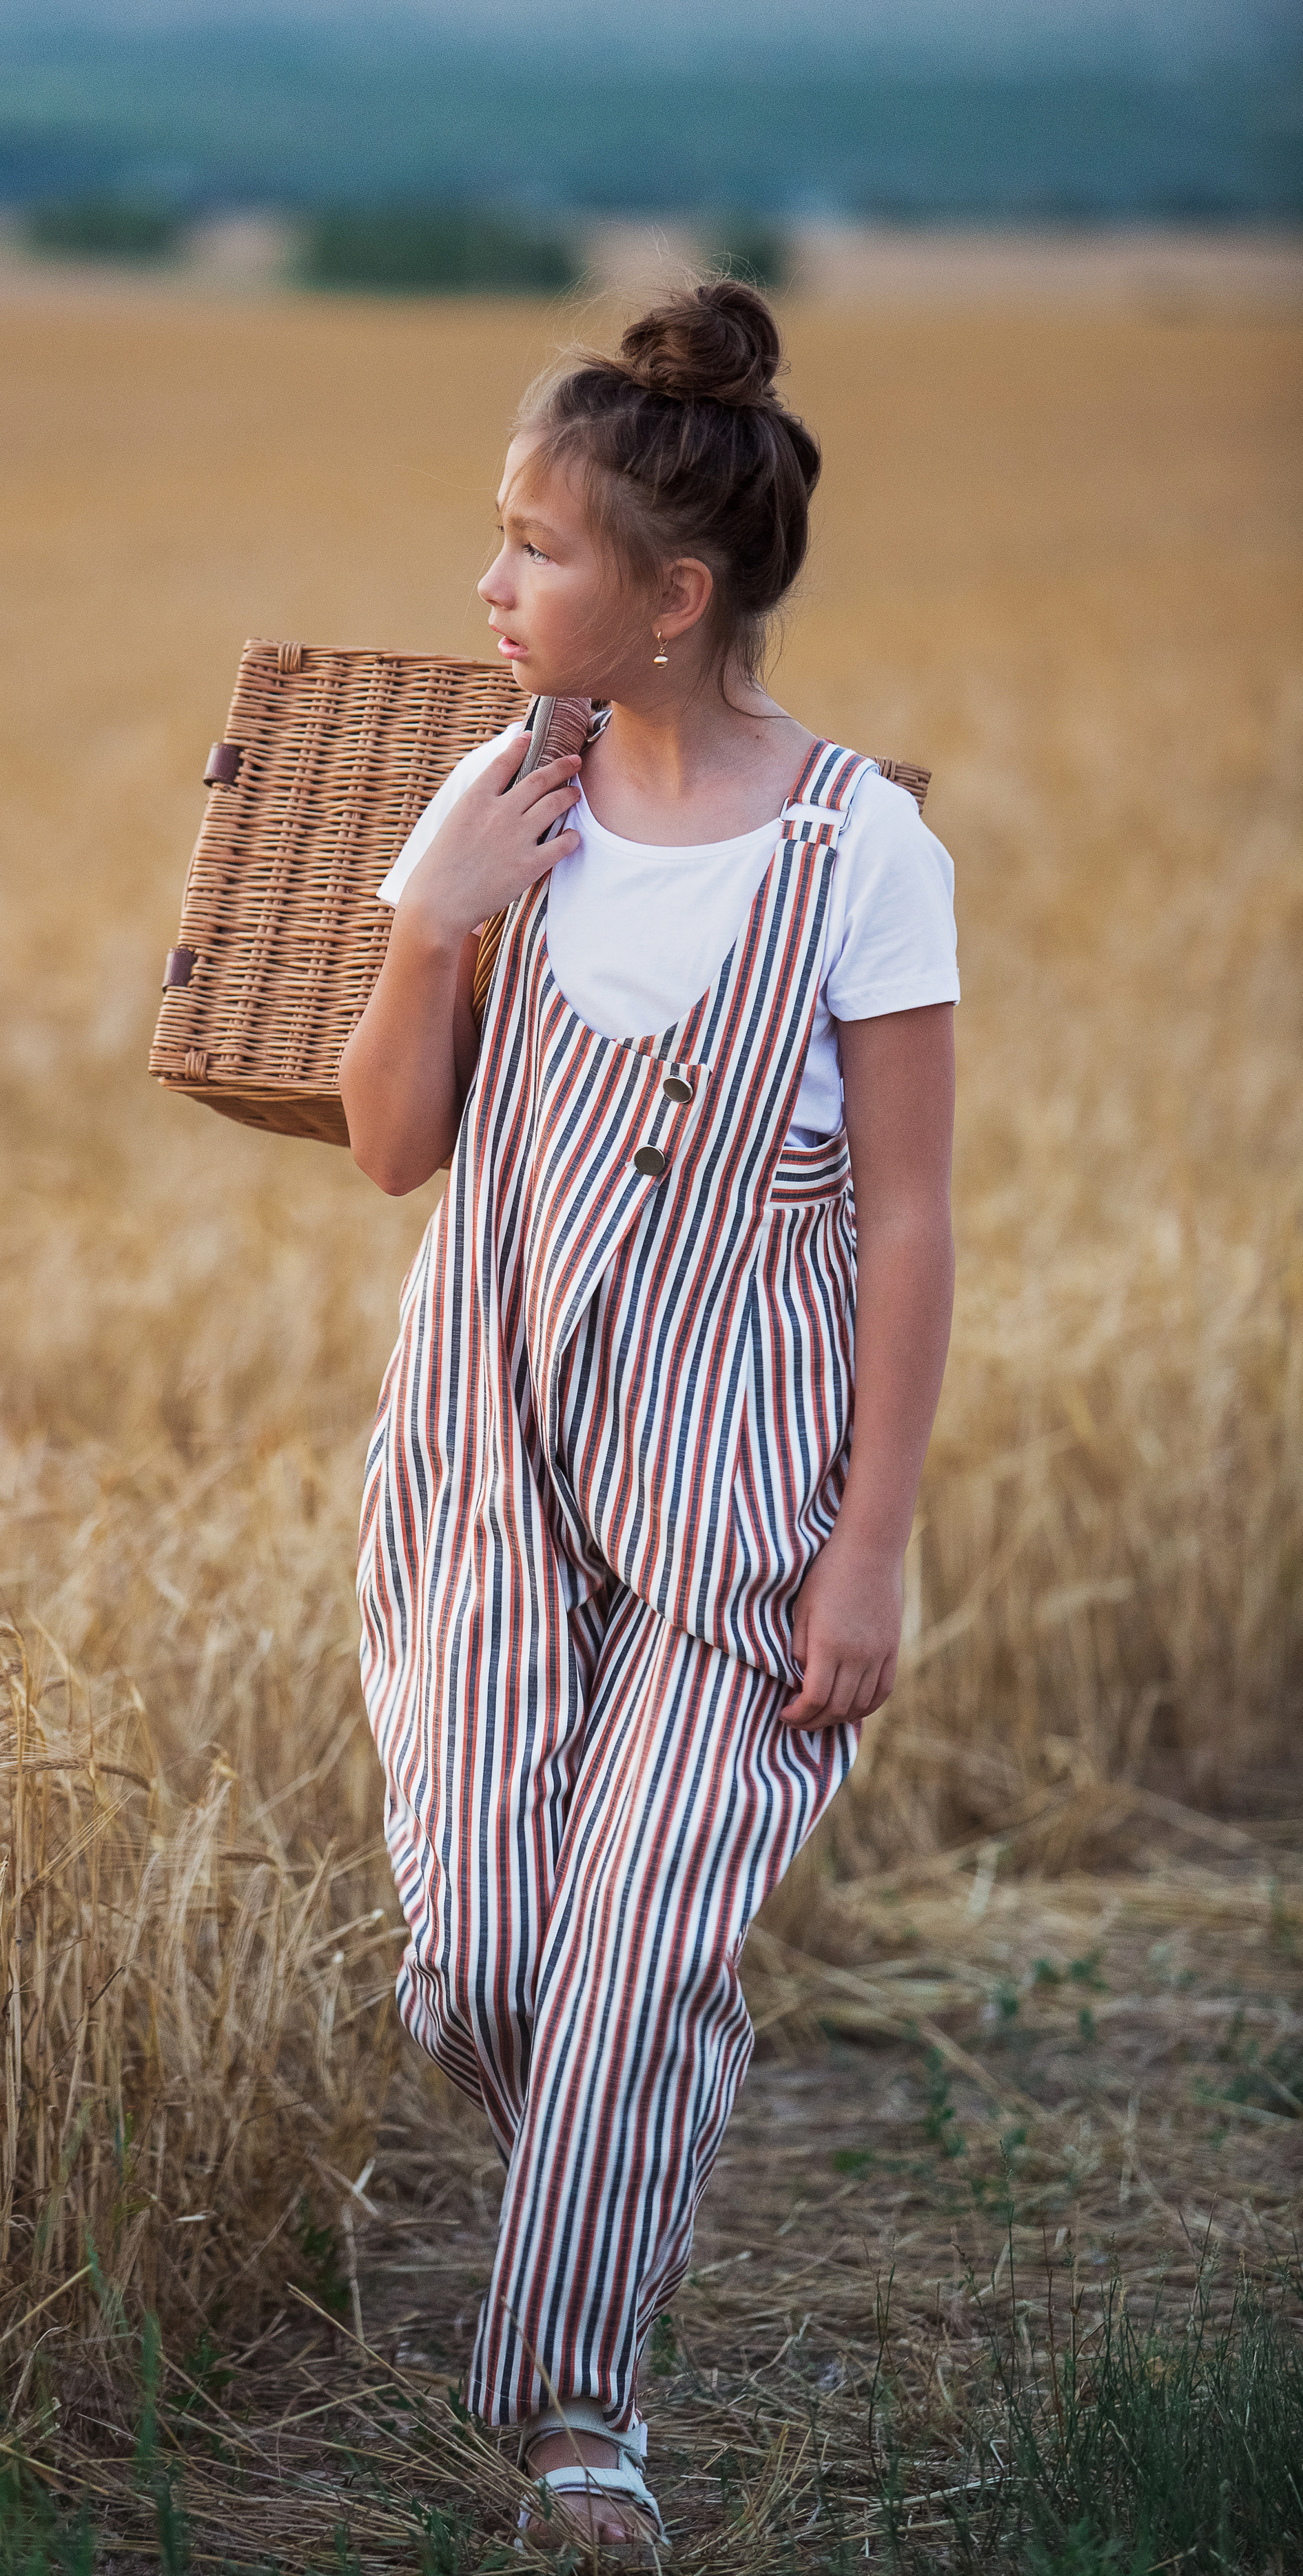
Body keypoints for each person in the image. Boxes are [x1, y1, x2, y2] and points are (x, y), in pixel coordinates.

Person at [340, 279, 956, 2560]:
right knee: (487, 1966)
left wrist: (870, 1547)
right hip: (486, 1489)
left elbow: (907, 1223)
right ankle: (647, 2086)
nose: (489, 587)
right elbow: (396, 1146)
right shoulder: (501, 808)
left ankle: (576, 2430)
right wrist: (434, 921)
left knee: (625, 1965)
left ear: (673, 598)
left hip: (744, 1525)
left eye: (534, 548)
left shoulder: (857, 853)